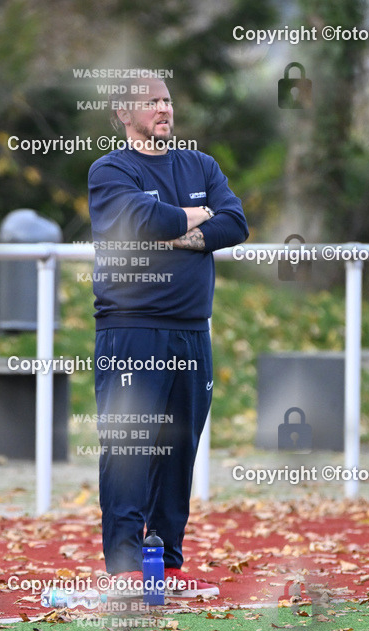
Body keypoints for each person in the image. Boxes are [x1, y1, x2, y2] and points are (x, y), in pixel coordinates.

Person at [87, 75, 248, 598]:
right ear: (123, 113)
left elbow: (235, 223)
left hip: (191, 331)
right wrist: (192, 219)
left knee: (179, 450)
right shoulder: (111, 170)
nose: (163, 108)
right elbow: (139, 218)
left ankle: (166, 561)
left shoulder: (200, 165)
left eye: (167, 99)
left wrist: (177, 233)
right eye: (150, 101)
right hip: (132, 330)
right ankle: (125, 566)